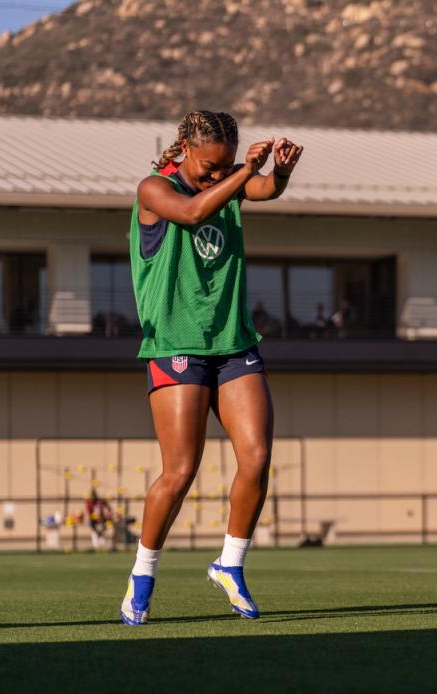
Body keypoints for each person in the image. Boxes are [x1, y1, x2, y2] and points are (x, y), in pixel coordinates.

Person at [119, 110, 303, 626]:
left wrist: (279, 174)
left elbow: (263, 190)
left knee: (258, 455)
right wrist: (242, 174)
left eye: (225, 168)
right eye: (210, 167)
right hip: (175, 343)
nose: (217, 176)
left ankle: (230, 564)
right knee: (180, 471)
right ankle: (142, 574)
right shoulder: (154, 188)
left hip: (232, 342)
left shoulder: (229, 183)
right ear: (184, 150)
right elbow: (194, 212)